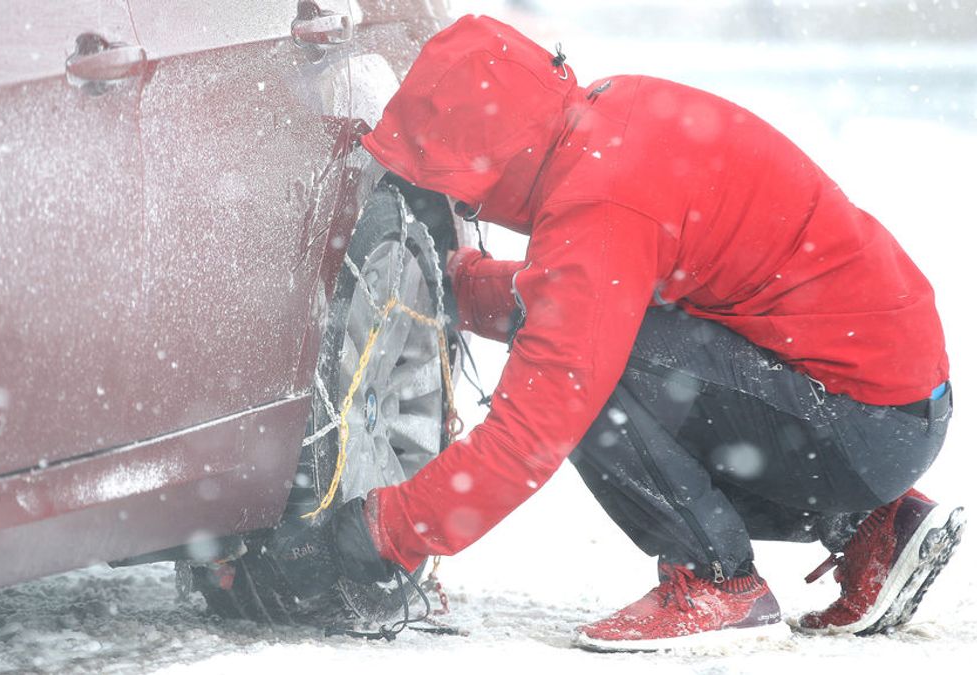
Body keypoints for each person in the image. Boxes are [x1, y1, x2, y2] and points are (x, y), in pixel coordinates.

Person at [273, 14, 963, 651]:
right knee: (597, 342)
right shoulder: (609, 122)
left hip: (857, 422)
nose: (466, 205)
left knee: (595, 379)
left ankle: (717, 580)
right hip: (889, 396)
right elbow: (584, 292)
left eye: (461, 189)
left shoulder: (596, 204)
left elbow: (529, 436)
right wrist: (463, 288)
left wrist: (382, 531)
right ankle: (872, 527)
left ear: (491, 160)